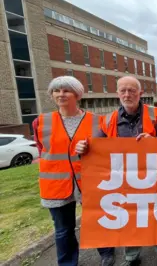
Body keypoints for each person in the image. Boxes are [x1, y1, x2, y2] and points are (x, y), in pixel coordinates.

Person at [75, 76, 157, 266]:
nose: (127, 94)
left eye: (132, 90)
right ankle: (131, 256)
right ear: (117, 93)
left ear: (140, 93)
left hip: (153, 177)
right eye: (123, 91)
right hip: (125, 179)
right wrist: (82, 149)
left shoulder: (156, 114)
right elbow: (96, 148)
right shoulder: (109, 119)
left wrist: (156, 142)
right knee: (129, 216)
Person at [32, 76, 109, 266]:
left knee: (98, 220)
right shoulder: (41, 122)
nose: (60, 94)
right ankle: (67, 262)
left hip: (90, 182)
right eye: (56, 91)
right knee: (63, 230)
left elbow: (105, 150)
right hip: (56, 184)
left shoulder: (97, 121)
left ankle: (107, 254)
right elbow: (43, 150)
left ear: (77, 95)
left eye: (66, 90)